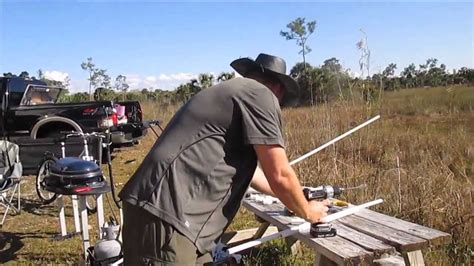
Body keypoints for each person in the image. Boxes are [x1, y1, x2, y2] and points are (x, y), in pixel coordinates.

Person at [118, 53, 329, 265]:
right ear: (279, 89)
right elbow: (280, 174)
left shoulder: (232, 93)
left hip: (161, 214)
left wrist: (295, 198)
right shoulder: (261, 95)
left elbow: (257, 174)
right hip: (167, 217)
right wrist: (309, 212)